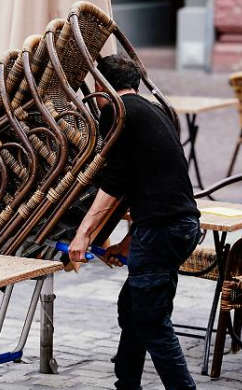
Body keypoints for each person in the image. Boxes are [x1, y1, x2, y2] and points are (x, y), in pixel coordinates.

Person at [68, 54, 201, 390]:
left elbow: (116, 184)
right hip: (176, 227)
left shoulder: (118, 109)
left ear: (101, 87)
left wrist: (84, 235)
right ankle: (126, 383)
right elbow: (147, 184)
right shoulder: (152, 109)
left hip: (164, 230)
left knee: (152, 322)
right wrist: (126, 243)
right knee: (133, 309)